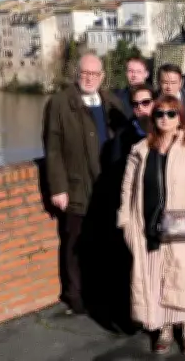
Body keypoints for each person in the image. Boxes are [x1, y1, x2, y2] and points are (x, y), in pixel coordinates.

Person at [117, 95, 185, 355]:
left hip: (183, 230)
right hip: (148, 228)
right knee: (156, 280)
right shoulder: (140, 149)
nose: (165, 118)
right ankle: (163, 326)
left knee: (182, 279)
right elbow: (127, 188)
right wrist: (126, 221)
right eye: (160, 114)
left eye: (171, 114)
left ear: (180, 118)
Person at [43, 53, 129, 316]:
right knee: (75, 244)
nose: (89, 77)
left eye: (94, 73)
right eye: (84, 73)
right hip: (77, 187)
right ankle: (76, 297)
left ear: (102, 76)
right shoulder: (59, 103)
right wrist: (58, 187)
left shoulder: (111, 101)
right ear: (76, 73)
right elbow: (53, 148)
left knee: (105, 242)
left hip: (107, 187)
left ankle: (102, 292)